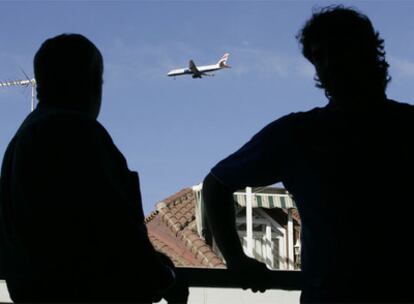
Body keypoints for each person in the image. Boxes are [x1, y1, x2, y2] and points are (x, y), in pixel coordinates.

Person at [202, 6, 414, 303]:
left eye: (339, 51)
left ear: (368, 53)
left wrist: (237, 260)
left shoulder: (297, 135)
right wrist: (237, 259)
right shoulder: (297, 134)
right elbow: (215, 184)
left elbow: (216, 183)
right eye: (320, 57)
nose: (329, 64)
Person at [0, 34, 188, 303]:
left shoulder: (19, 144)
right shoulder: (77, 133)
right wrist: (166, 277)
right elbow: (116, 230)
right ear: (90, 81)